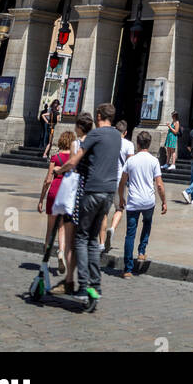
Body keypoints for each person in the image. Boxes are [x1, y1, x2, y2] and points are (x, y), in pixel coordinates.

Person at [54, 102, 122, 310]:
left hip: (92, 190)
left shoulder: (95, 135)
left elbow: (74, 161)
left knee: (81, 238)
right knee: (93, 239)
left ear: (99, 116)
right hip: (109, 193)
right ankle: (95, 284)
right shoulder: (117, 136)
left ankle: (83, 286)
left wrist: (59, 169)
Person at [119, 130, 167, 278]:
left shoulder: (131, 161)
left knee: (130, 234)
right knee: (147, 223)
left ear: (137, 144)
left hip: (133, 201)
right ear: (149, 143)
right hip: (148, 201)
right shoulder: (154, 161)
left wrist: (121, 197)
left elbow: (122, 182)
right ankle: (141, 251)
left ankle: (128, 269)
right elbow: (159, 185)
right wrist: (164, 201)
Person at [37, 129, 76, 293]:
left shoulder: (56, 157)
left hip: (54, 191)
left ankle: (45, 260)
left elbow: (48, 180)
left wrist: (41, 198)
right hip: (66, 193)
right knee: (62, 227)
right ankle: (61, 252)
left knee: (50, 229)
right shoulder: (74, 158)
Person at [103, 119, 135, 252]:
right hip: (120, 181)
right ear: (126, 132)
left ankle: (101, 239)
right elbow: (131, 164)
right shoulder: (129, 144)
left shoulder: (107, 142)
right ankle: (112, 228)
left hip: (106, 179)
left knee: (104, 211)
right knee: (119, 208)